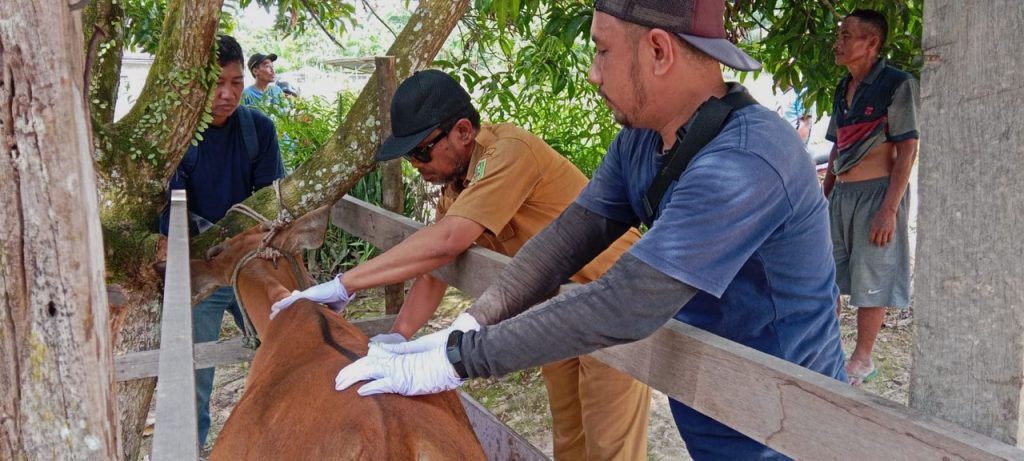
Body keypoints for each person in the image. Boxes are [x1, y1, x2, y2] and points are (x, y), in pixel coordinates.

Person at [331, 1, 846, 459]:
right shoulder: (641, 142)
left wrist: (460, 360)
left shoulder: (746, 159)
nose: (594, 74)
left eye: (602, 51)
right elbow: (563, 241)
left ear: (659, 50)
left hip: (786, 427)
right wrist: (472, 323)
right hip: (710, 405)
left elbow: (627, 301)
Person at [272, 69, 652, 460]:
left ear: (464, 132)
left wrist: (344, 284)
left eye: (421, 151)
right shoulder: (456, 188)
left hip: (611, 300)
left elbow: (444, 243)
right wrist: (400, 335)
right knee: (570, 440)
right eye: (409, 156)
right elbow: (436, 268)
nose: (416, 165)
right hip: (555, 312)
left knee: (610, 448)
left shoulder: (508, 153)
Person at [159, 34, 285, 448]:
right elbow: (167, 219)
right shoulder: (178, 138)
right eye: (217, 84)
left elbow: (271, 200)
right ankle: (193, 450)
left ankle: (278, 446)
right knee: (194, 378)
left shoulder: (258, 130)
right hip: (201, 273)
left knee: (283, 359)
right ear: (197, 83)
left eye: (234, 82)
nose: (228, 94)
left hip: (254, 265)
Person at [823, 9, 919, 387]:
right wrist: (824, 194)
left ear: (872, 43)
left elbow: (907, 150)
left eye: (847, 35)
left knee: (872, 274)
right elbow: (836, 149)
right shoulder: (841, 88)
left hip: (878, 193)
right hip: (842, 194)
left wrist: (889, 210)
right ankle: (828, 348)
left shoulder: (897, 84)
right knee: (825, 273)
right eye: (840, 34)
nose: (839, 41)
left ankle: (862, 359)